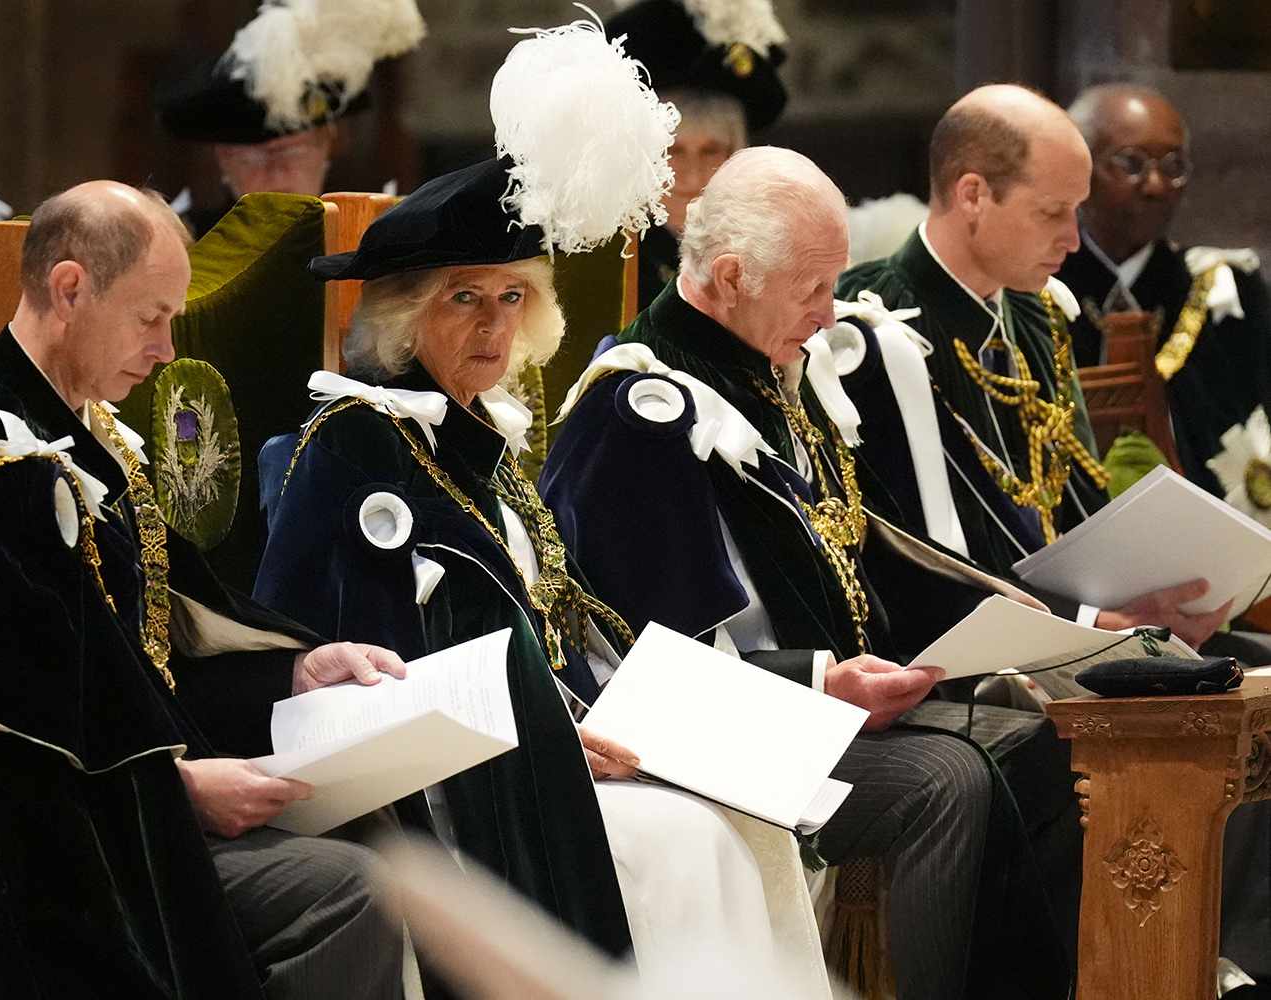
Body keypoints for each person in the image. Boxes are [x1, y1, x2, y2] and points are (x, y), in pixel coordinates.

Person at [257, 17, 831, 996]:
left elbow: (559, 616)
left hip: (552, 746)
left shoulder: (484, 443)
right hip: (441, 793)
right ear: (403, 316)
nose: (493, 326)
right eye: (462, 301)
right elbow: (358, 657)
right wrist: (557, 735)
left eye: (511, 298)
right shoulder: (350, 446)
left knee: (745, 820)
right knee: (682, 843)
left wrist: (622, 715)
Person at [0, 180, 406, 999]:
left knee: (388, 840)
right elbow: (3, 715)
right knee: (356, 888)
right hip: (27, 842)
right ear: (69, 290)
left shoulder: (93, 443)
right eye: (152, 316)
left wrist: (294, 673)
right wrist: (177, 787)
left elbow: (144, 666)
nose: (169, 348)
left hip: (121, 806)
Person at [542, 146, 1073, 1000]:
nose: (831, 317)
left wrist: (1036, 634)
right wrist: (821, 683)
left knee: (1042, 739)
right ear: (728, 277)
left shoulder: (775, 372)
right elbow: (647, 657)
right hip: (712, 738)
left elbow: (862, 551)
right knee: (949, 780)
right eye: (812, 290)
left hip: (827, 713)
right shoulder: (638, 411)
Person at [834, 83, 1231, 646]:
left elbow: (1076, 501)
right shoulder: (871, 326)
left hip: (1074, 625)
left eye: (1076, 211)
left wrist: (1144, 602)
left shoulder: (1036, 313)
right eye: (1052, 212)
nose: (1073, 238)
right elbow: (905, 556)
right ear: (972, 194)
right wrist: (1091, 625)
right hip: (960, 654)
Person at [1061, 83, 1271, 497]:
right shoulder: (1036, 291)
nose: (1156, 185)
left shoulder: (1225, 293)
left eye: (1173, 165)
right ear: (1078, 169)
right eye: (1131, 163)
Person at [154, 0, 425, 235]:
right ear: (224, 160)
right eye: (252, 158)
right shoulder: (187, 248)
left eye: (292, 151)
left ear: (327, 145)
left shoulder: (369, 242)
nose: (276, 171)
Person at [606, 0, 788, 312]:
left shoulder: (773, 251)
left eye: (711, 150)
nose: (692, 175)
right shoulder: (603, 259)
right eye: (673, 151)